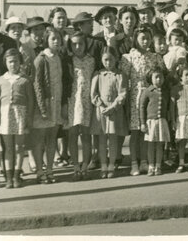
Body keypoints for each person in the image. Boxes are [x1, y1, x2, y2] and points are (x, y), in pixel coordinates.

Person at [120, 25, 165, 175]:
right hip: (135, 96)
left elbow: (162, 75)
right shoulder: (128, 57)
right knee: (135, 132)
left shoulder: (155, 57)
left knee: (148, 130)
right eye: (142, 38)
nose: (145, 41)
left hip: (151, 97)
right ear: (135, 40)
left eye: (148, 38)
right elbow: (124, 79)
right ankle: (134, 163)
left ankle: (145, 161)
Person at [0, 48, 33, 189]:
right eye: (10, 61)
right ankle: (9, 177)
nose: (13, 64)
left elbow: (30, 101)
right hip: (5, 116)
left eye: (16, 61)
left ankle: (17, 176)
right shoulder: (0, 80)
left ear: (20, 63)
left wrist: (28, 118)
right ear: (6, 63)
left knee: (19, 147)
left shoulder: (24, 80)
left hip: (20, 115)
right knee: (8, 147)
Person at [31, 29, 64, 185]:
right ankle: (39, 170)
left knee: (52, 139)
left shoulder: (58, 58)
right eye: (53, 39)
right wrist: (42, 107)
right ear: (46, 40)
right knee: (40, 140)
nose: (56, 41)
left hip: (56, 103)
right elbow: (37, 85)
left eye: (58, 38)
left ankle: (50, 170)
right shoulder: (41, 59)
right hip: (43, 105)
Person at [91, 47, 127, 179]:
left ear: (116, 58)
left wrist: (113, 106)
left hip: (114, 111)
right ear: (101, 60)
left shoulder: (120, 75)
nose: (108, 63)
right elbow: (93, 94)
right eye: (105, 60)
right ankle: (103, 165)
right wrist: (100, 105)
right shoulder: (98, 75)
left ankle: (111, 165)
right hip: (101, 111)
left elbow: (122, 94)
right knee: (101, 140)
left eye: (111, 59)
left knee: (112, 139)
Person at [65, 32, 95, 180]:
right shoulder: (69, 61)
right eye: (74, 44)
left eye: (81, 44)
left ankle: (85, 166)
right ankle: (75, 166)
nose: (78, 47)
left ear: (86, 44)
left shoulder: (92, 60)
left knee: (86, 134)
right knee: (72, 134)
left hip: (87, 101)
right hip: (73, 101)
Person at [139, 68, 170, 176]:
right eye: (156, 77)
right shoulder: (147, 91)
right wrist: (143, 123)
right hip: (151, 122)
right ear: (151, 79)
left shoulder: (166, 91)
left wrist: (169, 120)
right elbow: (142, 107)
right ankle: (151, 165)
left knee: (160, 144)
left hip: (162, 121)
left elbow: (169, 107)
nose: (159, 79)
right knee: (151, 145)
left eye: (161, 77)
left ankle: (158, 166)